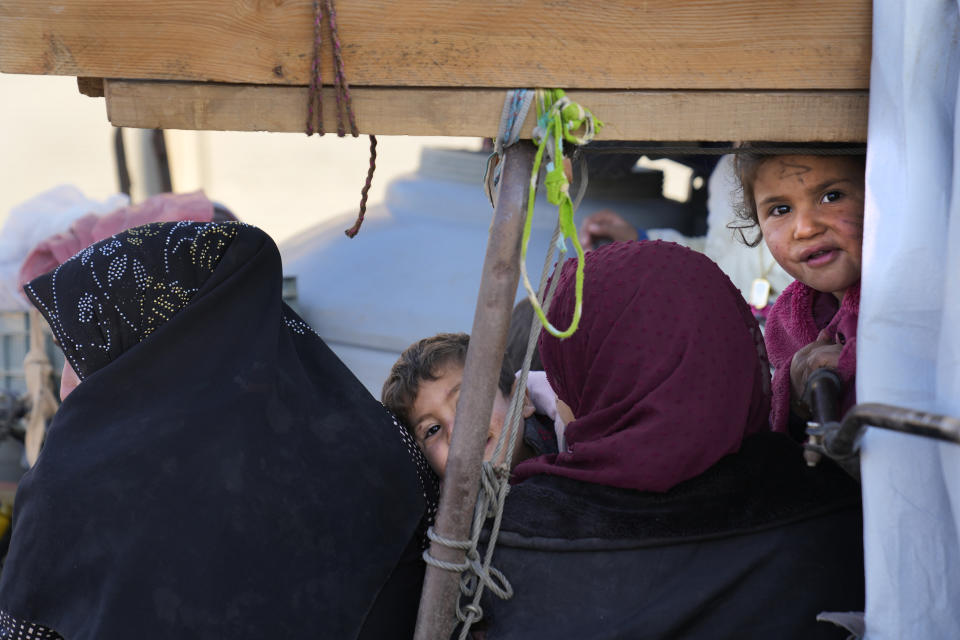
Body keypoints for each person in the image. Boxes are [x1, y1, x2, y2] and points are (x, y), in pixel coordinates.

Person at [0, 221, 437, 639]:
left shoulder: (70, 489)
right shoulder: (383, 450)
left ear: (148, 348)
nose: (64, 384)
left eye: (77, 351)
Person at [480, 241, 864, 639]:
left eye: (564, 378)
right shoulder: (842, 507)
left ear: (604, 379)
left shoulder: (513, 543)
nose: (556, 397)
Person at [732, 146, 865, 435]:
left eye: (832, 197)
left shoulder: (916, 300)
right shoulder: (787, 317)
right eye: (780, 210)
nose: (805, 229)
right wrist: (793, 384)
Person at [381, 333, 554, 478]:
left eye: (467, 403)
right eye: (432, 429)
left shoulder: (571, 436)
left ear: (521, 399)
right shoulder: (447, 517)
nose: (455, 432)